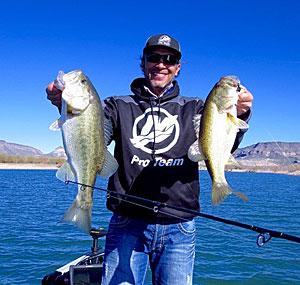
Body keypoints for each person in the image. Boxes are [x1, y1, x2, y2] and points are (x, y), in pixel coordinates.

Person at [46, 34, 253, 284]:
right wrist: (62, 103)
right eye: (153, 58)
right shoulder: (115, 105)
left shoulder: (198, 107)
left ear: (178, 67)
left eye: (169, 59)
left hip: (180, 225)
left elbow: (217, 144)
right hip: (126, 222)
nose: (161, 64)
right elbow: (90, 134)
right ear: (143, 63)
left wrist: (242, 113)